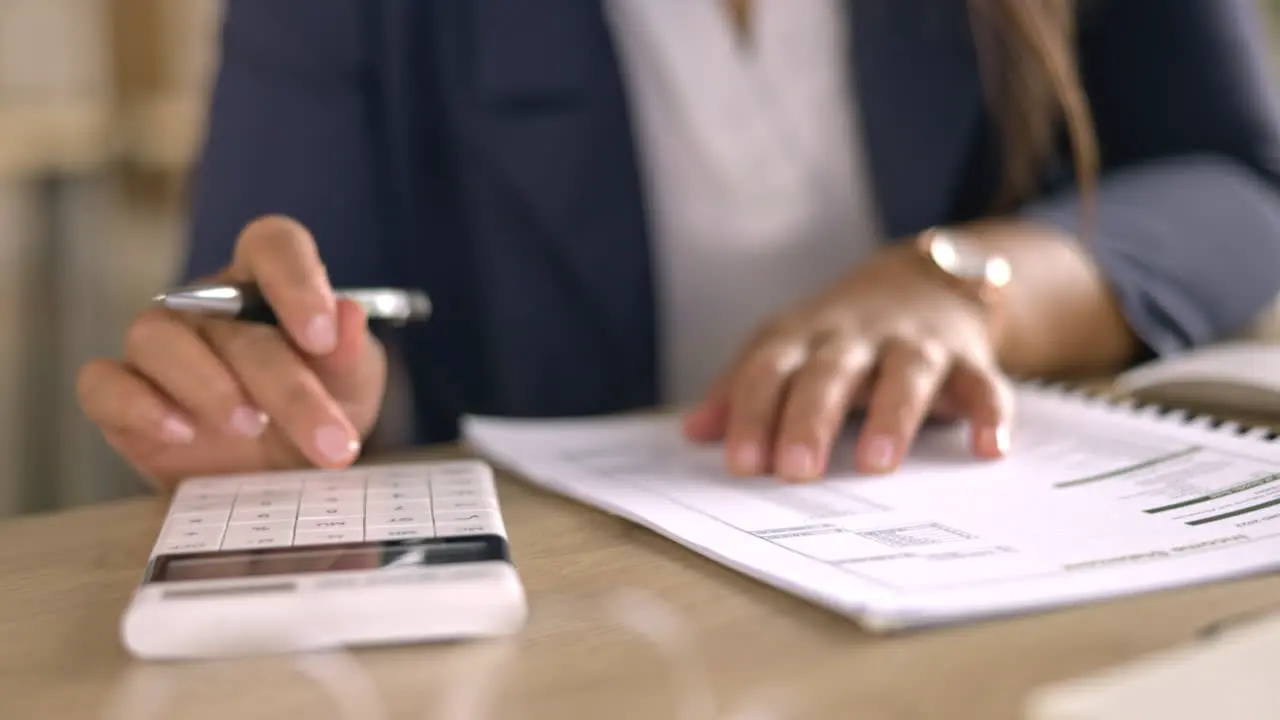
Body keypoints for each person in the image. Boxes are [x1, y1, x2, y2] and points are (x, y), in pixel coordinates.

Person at [77, 0, 1280, 490]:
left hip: (989, 580)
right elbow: (278, 327)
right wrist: (288, 408)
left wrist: (966, 285)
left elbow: (1236, 187)